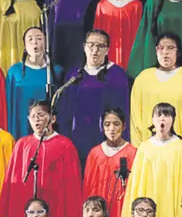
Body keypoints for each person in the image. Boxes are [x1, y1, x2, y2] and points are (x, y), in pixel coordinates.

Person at [0, 100, 82, 217]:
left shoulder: (65, 145)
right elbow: (13, 183)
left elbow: (73, 186)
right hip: (27, 200)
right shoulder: (22, 145)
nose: (37, 120)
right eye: (33, 116)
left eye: (41, 115)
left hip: (56, 202)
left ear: (52, 118)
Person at [56, 29, 132, 161]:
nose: (95, 50)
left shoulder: (116, 75)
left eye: (100, 46)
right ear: (84, 47)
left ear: (107, 50)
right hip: (77, 138)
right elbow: (65, 111)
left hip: (106, 139)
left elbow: (123, 111)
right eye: (91, 45)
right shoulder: (74, 75)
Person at [122, 103, 182, 217]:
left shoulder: (180, 148)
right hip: (148, 198)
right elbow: (136, 182)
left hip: (170, 200)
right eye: (158, 115)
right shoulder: (144, 147)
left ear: (173, 120)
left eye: (167, 115)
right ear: (152, 120)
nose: (162, 119)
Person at [129, 33, 182, 145]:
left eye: (170, 48)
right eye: (161, 48)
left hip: (178, 144)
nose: (165, 52)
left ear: (178, 52)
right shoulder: (143, 78)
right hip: (147, 145)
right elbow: (135, 115)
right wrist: (139, 144)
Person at [83, 108, 136, 217]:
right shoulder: (95, 153)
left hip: (121, 206)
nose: (111, 128)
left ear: (123, 126)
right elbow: (88, 186)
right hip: (99, 208)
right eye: (107, 124)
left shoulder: (132, 152)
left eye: (116, 124)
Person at [4, 27, 64, 137]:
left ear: (46, 43)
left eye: (39, 38)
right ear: (25, 46)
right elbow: (8, 105)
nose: (34, 42)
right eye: (30, 39)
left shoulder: (56, 71)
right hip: (22, 124)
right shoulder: (15, 72)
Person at [93, 0, 143, 70]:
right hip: (108, 60)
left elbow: (141, 36)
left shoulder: (136, 6)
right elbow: (97, 37)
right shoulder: (102, 6)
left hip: (131, 59)